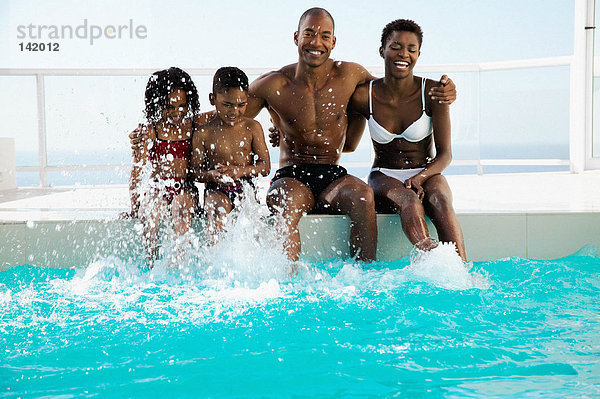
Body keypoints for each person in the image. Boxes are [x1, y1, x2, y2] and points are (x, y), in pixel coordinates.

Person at [246, 8, 456, 262]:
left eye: (325, 36)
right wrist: (269, 133)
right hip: (292, 175)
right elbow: (231, 118)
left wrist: (446, 92)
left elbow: (393, 90)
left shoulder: (350, 76)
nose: (316, 42)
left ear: (333, 42)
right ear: (296, 37)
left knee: (363, 195)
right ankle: (288, 283)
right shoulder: (273, 84)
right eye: (309, 34)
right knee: (285, 202)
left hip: (332, 174)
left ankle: (363, 277)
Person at [349, 19, 466, 261]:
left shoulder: (434, 92)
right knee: (408, 200)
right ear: (382, 50)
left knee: (440, 200)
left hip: (427, 171)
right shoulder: (363, 95)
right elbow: (346, 143)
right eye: (396, 47)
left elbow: (445, 155)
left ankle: (461, 270)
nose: (404, 54)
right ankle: (431, 256)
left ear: (418, 54)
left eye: (412, 49)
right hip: (383, 174)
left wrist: (420, 177)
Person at [129, 67, 202, 263]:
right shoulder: (151, 131)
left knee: (179, 207)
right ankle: (151, 261)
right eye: (169, 107)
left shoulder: (194, 124)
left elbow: (219, 113)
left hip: (185, 189)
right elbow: (137, 170)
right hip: (158, 188)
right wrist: (134, 205)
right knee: (150, 211)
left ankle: (181, 263)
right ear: (156, 105)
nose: (177, 112)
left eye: (182, 105)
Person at [190, 67, 270, 242]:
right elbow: (195, 171)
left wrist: (239, 171)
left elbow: (265, 167)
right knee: (215, 215)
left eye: (241, 105)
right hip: (216, 188)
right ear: (213, 99)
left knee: (254, 229)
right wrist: (210, 175)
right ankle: (216, 262)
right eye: (228, 105)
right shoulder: (203, 133)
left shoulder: (252, 127)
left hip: (245, 187)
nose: (235, 111)